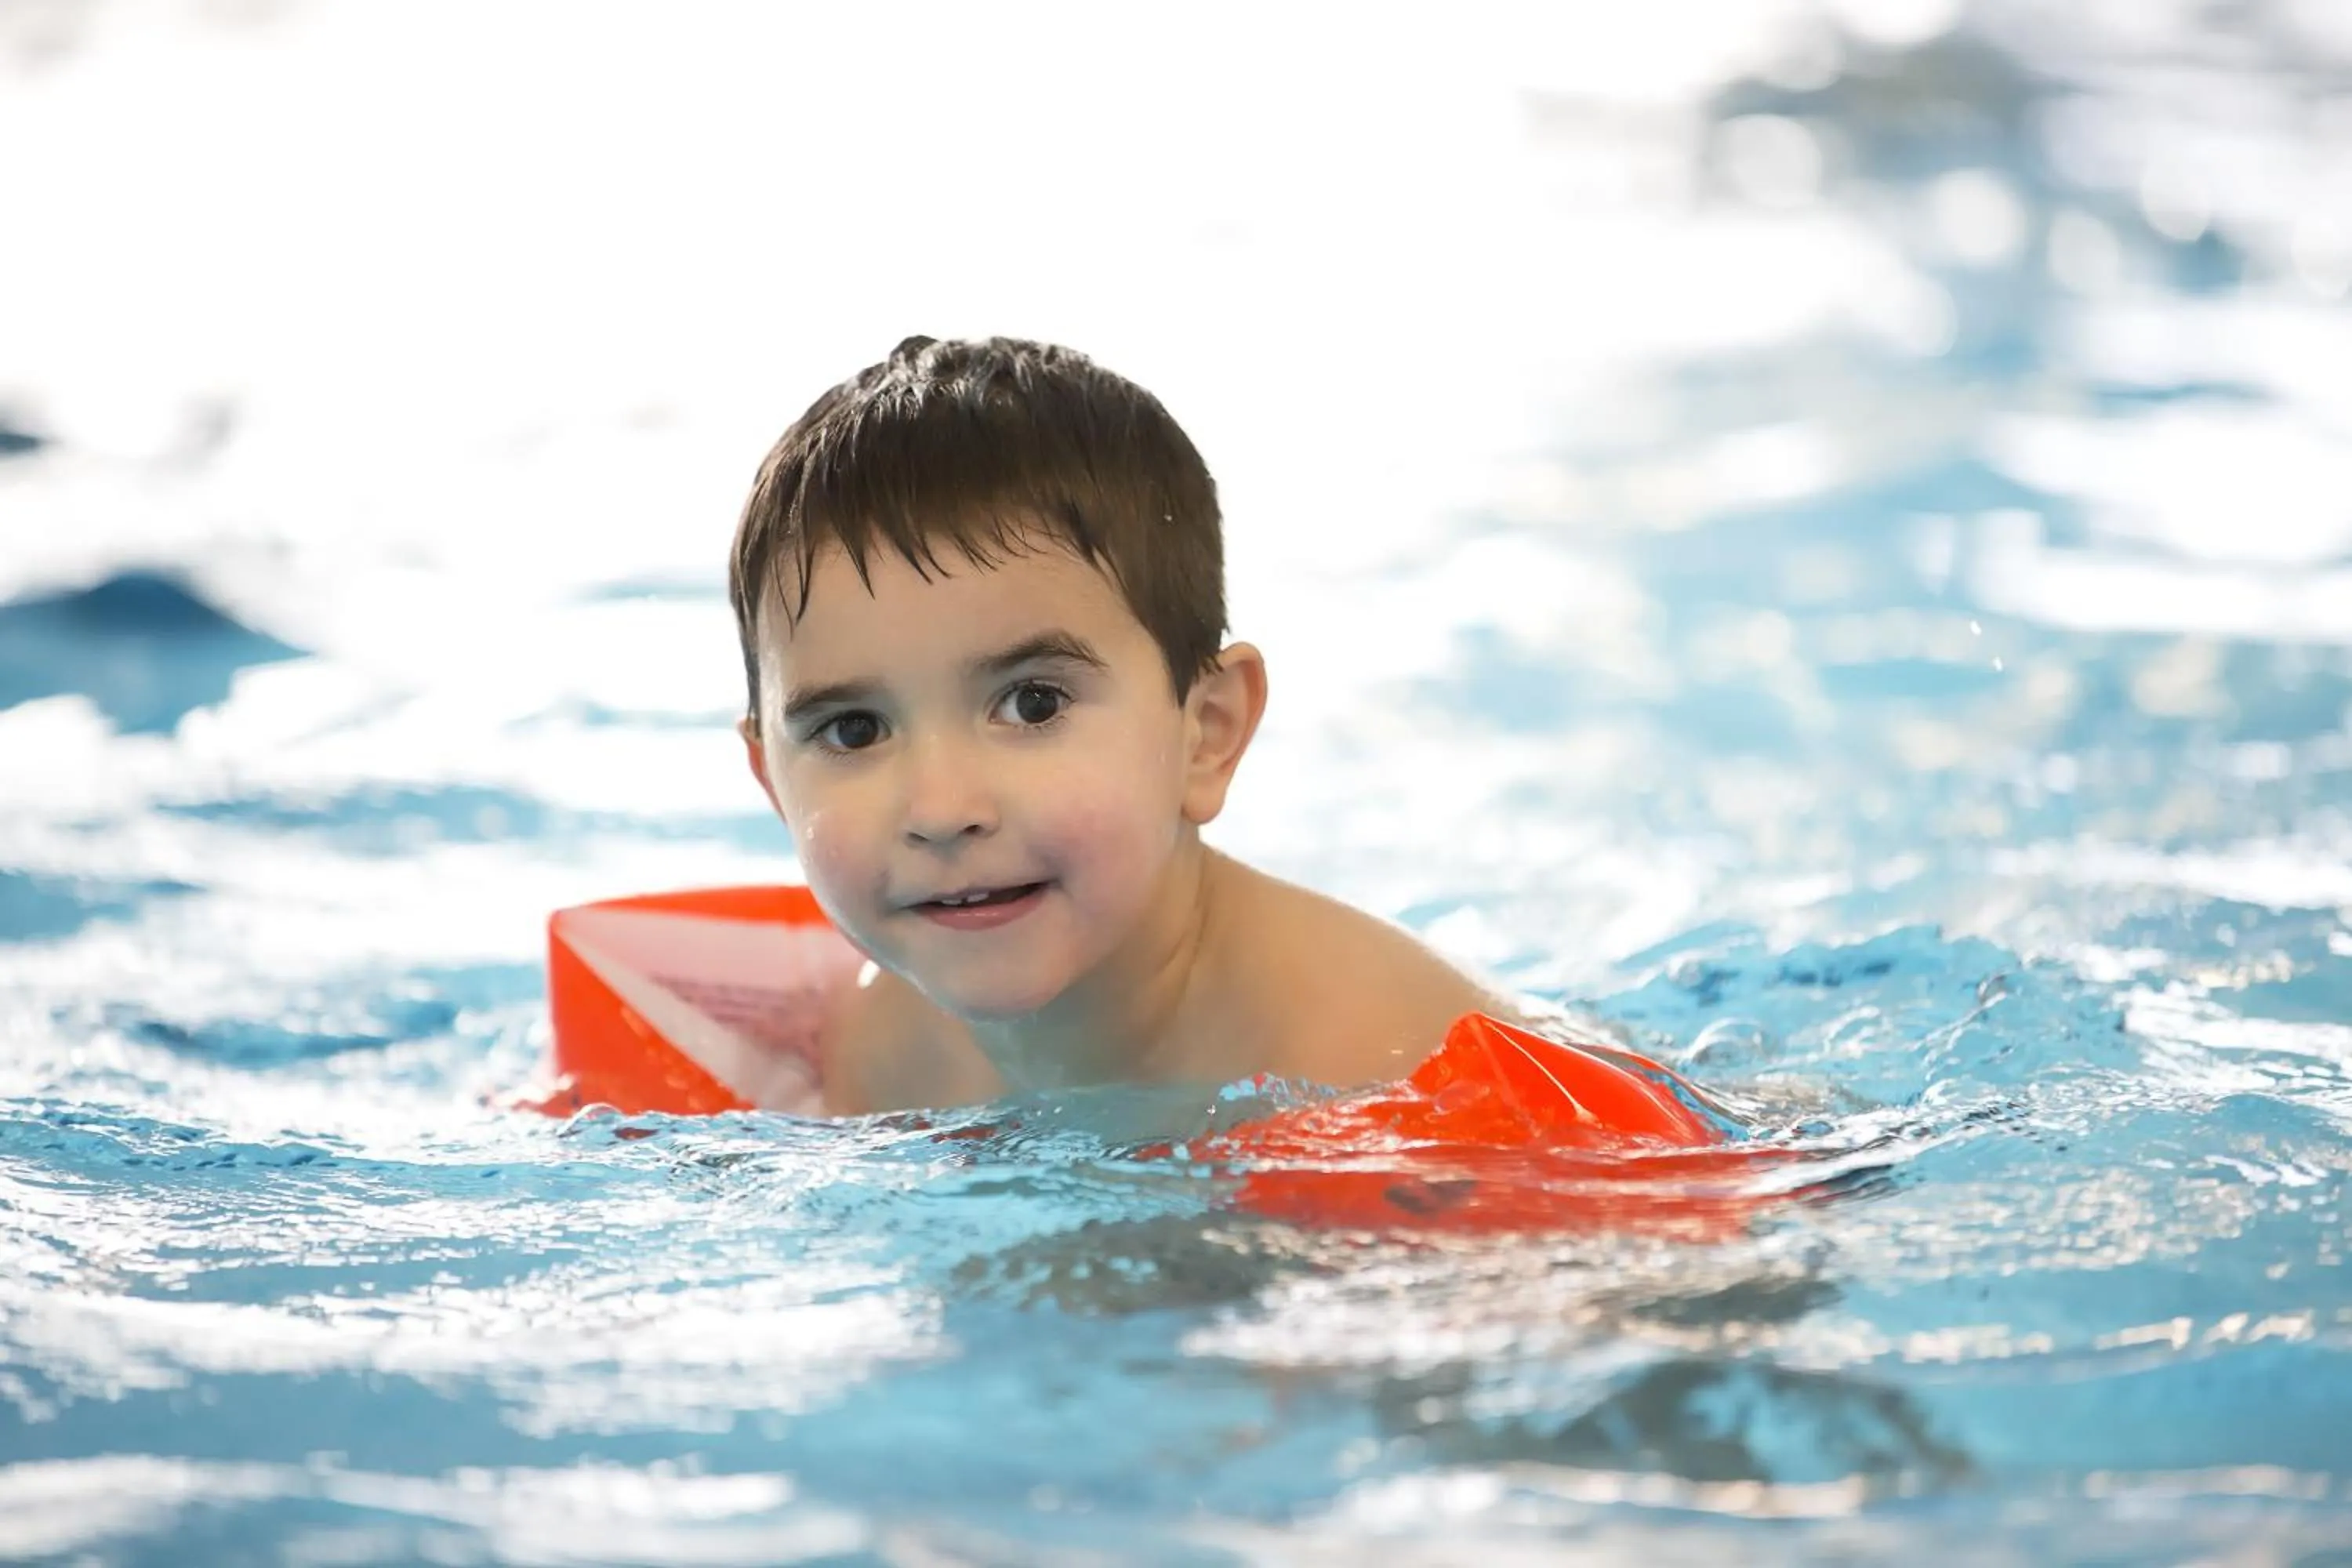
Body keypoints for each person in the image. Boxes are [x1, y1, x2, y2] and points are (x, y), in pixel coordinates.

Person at [730, 335, 1517, 1115]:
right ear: (774, 782)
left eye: (1032, 703)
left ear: (1207, 730)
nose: (941, 809)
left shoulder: (1388, 1065)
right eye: (856, 730)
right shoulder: (878, 1052)